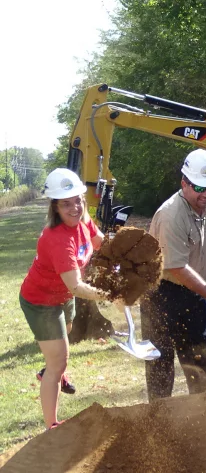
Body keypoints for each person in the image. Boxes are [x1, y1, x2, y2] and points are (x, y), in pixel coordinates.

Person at [19, 168, 110, 429]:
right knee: (59, 359)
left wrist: (122, 259)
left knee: (66, 331)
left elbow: (100, 242)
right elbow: (78, 286)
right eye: (66, 203)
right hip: (41, 301)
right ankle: (52, 425)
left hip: (61, 296)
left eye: (78, 200)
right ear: (55, 207)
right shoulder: (57, 239)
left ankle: (49, 371)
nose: (75, 207)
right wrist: (111, 294)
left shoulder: (83, 219)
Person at [141, 150, 206, 400]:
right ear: (184, 183)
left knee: (200, 357)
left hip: (193, 291)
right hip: (161, 294)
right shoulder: (171, 215)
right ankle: (159, 427)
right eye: (200, 188)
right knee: (160, 363)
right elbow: (177, 268)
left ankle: (205, 417)